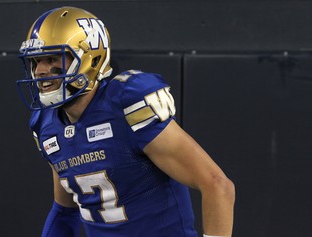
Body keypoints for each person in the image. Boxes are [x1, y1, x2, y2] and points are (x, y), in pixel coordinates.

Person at [16, 6, 235, 237]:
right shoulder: (47, 126)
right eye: (36, 61)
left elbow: (218, 186)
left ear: (90, 59)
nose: (40, 71)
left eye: (52, 59)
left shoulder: (126, 106)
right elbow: (64, 212)